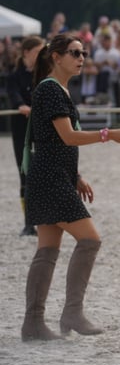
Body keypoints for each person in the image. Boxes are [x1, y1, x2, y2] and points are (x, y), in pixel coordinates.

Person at [21, 34, 120, 341]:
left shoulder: (57, 90)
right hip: (50, 180)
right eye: (74, 53)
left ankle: (33, 323)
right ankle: (72, 313)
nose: (81, 58)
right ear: (56, 57)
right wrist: (108, 134)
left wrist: (77, 176)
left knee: (46, 250)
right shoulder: (50, 89)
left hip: (53, 177)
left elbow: (55, 143)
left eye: (83, 52)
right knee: (90, 240)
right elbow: (68, 137)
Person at [7, 36, 45, 236]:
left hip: (42, 129)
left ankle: (45, 219)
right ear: (26, 53)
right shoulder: (14, 76)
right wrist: (21, 105)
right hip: (22, 130)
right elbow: (13, 94)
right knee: (25, 174)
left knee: (44, 173)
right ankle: (29, 222)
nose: (41, 56)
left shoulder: (44, 74)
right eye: (38, 52)